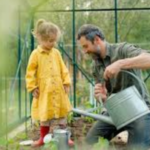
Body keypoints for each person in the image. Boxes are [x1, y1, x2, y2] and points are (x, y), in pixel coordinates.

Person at [77, 24, 150, 150]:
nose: (84, 51)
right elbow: (104, 97)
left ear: (97, 39)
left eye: (85, 46)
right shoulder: (96, 66)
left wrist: (121, 64)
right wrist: (103, 97)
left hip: (139, 111)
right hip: (115, 112)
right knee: (89, 142)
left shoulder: (122, 50)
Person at [26, 19, 73, 147]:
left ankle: (64, 138)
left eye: (54, 40)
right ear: (40, 38)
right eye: (50, 41)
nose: (53, 43)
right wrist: (32, 87)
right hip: (44, 91)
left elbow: (63, 68)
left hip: (58, 89)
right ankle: (42, 138)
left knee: (62, 115)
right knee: (44, 116)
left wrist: (66, 82)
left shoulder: (56, 53)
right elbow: (30, 72)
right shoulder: (35, 54)